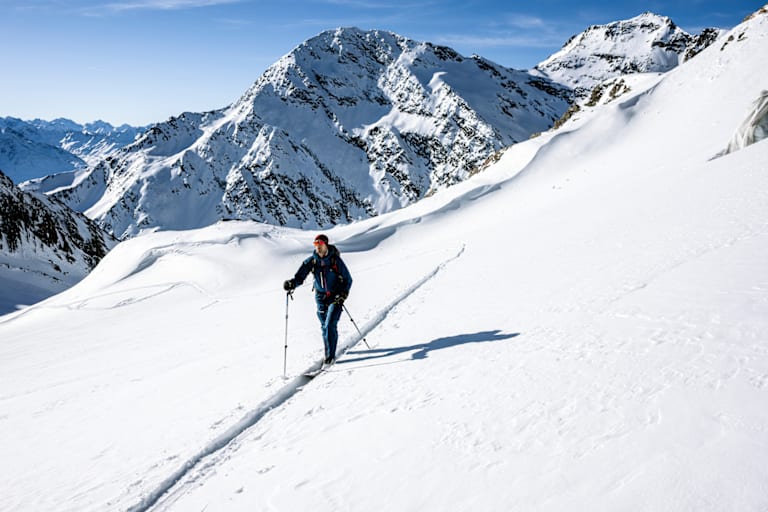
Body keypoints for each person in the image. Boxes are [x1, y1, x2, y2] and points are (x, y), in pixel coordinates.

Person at [283, 234, 353, 365]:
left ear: (326, 244)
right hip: (320, 297)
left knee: (330, 324)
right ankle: (329, 351)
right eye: (316, 245)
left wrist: (343, 294)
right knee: (324, 326)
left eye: (320, 244)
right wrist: (292, 283)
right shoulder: (311, 261)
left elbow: (348, 279)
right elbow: (300, 277)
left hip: (335, 296)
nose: (318, 247)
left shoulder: (335, 261)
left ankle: (330, 357)